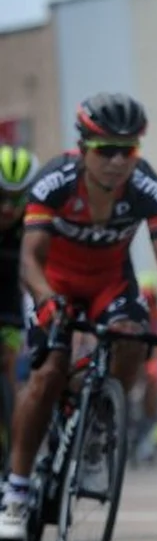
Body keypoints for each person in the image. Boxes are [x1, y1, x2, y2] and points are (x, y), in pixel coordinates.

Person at [0, 93, 157, 541]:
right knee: (48, 373)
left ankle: (97, 429)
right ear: (83, 146)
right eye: (105, 150)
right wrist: (46, 299)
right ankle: (17, 489)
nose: (116, 161)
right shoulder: (54, 182)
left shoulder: (147, 187)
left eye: (127, 151)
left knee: (134, 335)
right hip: (54, 282)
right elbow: (29, 260)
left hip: (110, 282)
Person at [0, 145, 39, 405]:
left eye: (16, 199)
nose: (7, 208)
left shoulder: (32, 222)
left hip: (9, 301)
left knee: (9, 365)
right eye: (2, 195)